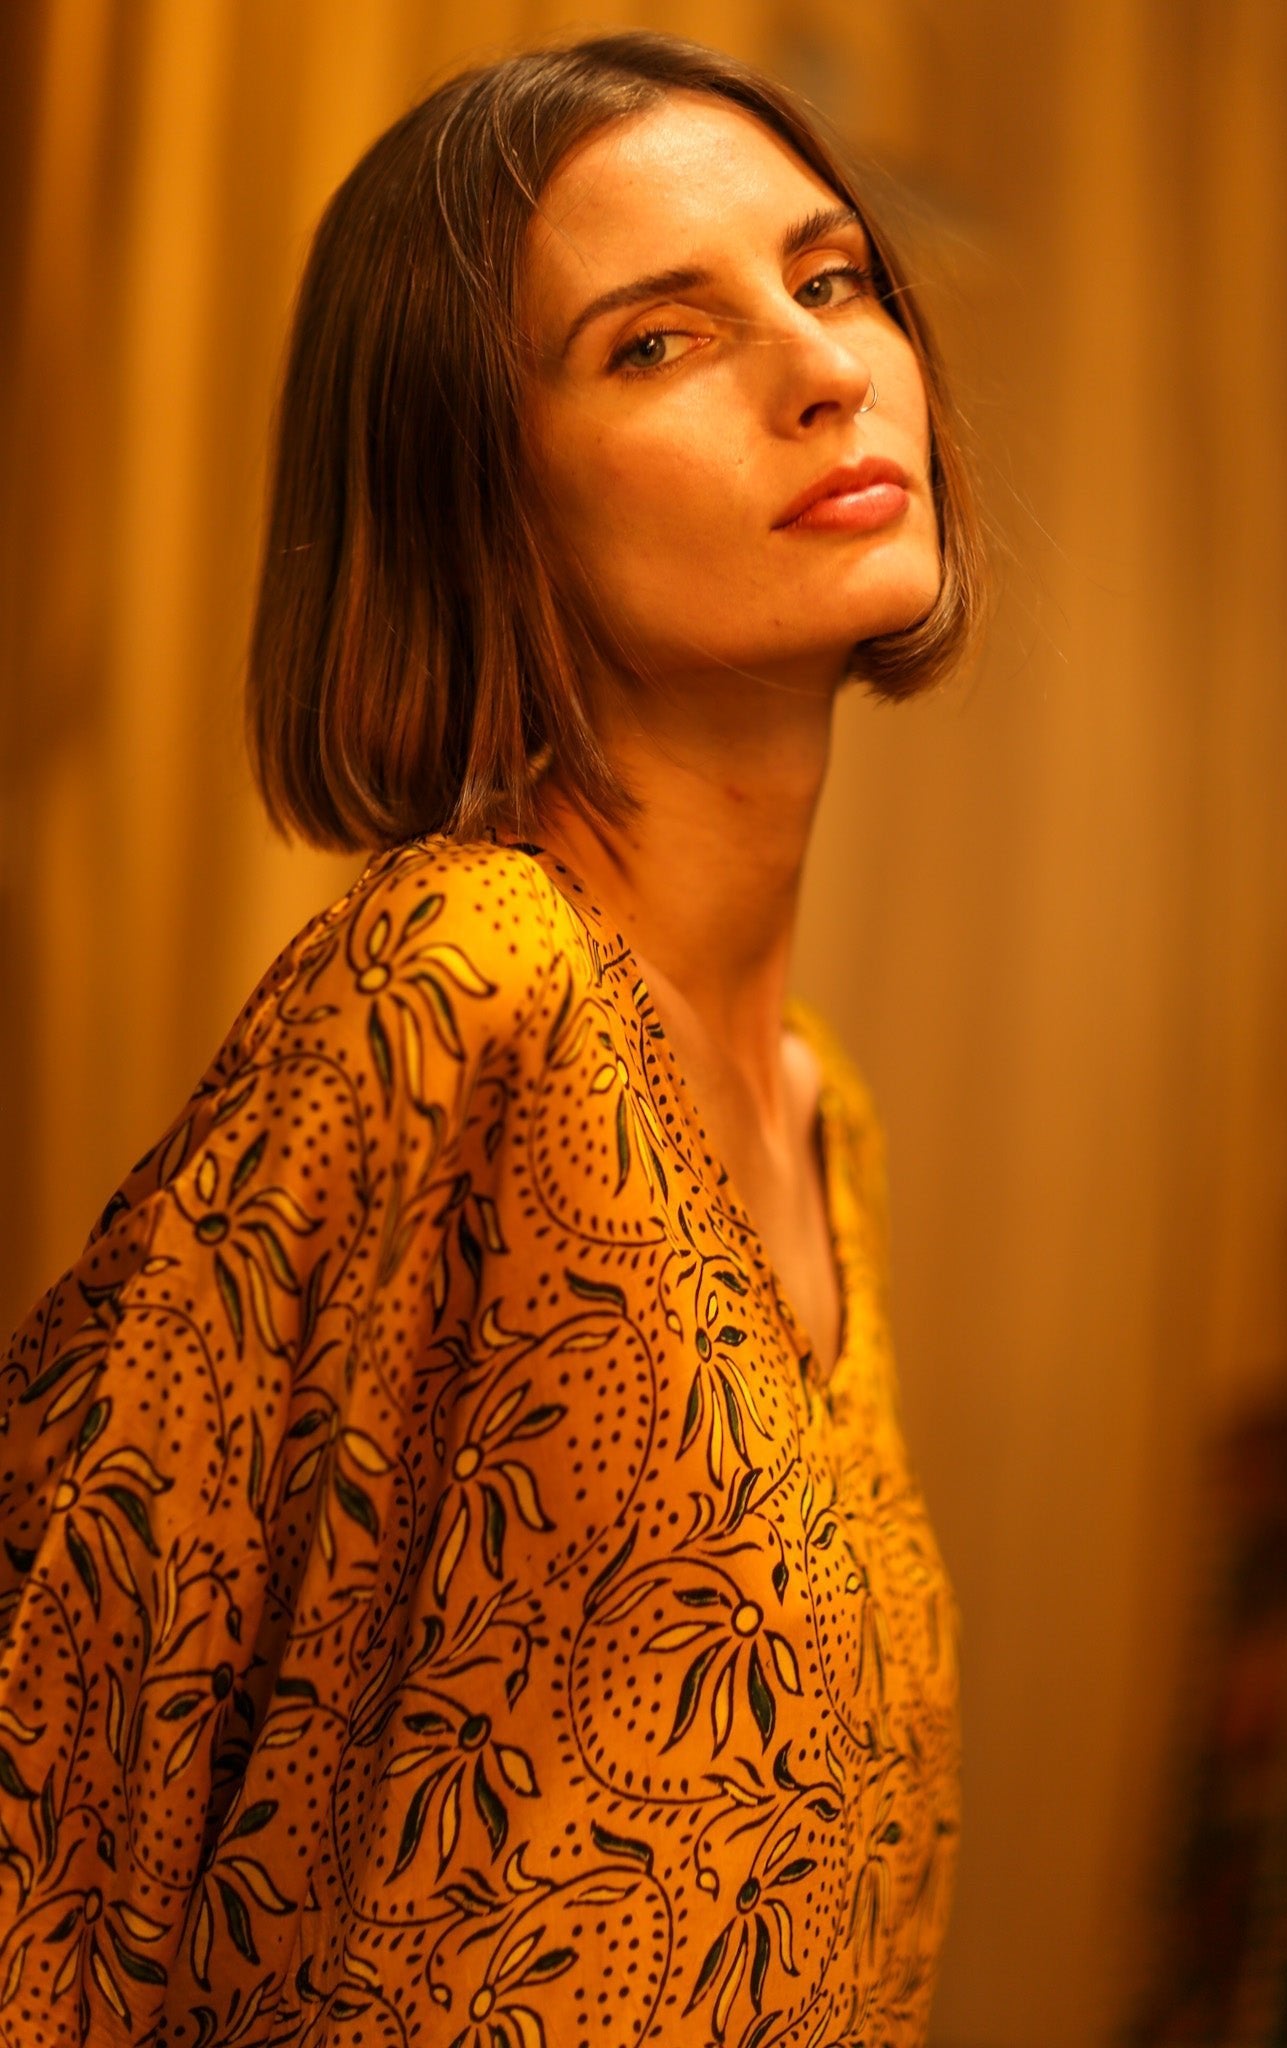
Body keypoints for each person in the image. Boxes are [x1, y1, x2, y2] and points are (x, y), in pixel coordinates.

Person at [0, 28, 987, 2048]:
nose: (821, 366)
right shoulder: (471, 978)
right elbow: (65, 1742)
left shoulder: (832, 1120)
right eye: (654, 341)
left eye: (829, 276)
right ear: (476, 491)